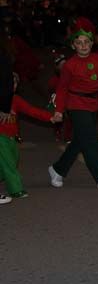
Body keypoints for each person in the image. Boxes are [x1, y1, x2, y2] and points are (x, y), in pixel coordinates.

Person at [49, 18, 98, 192]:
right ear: (73, 45)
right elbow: (62, 89)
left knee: (80, 140)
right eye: (79, 42)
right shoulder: (70, 65)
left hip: (93, 104)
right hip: (75, 104)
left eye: (86, 42)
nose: (83, 45)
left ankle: (58, 169)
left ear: (92, 43)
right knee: (91, 140)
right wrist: (59, 111)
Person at [0, 72, 54, 202]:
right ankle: (16, 190)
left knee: (12, 160)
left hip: (12, 137)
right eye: (8, 83)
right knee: (9, 164)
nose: (12, 85)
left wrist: (50, 117)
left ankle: (6, 179)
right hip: (1, 137)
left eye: (14, 83)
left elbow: (31, 110)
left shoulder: (16, 99)